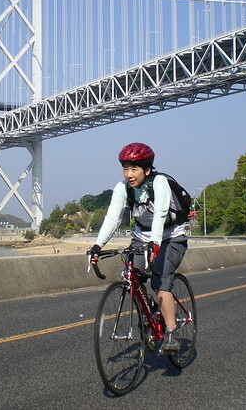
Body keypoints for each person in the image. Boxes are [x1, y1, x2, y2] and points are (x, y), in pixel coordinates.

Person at [89, 142, 188, 354]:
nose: (129, 174)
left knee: (160, 280)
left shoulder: (159, 182)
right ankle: (151, 309)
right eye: (125, 168)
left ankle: (170, 332)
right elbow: (112, 218)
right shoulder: (123, 188)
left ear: (147, 169)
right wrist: (98, 245)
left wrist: (155, 242)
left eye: (134, 168)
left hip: (171, 237)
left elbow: (161, 213)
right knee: (131, 275)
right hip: (141, 237)